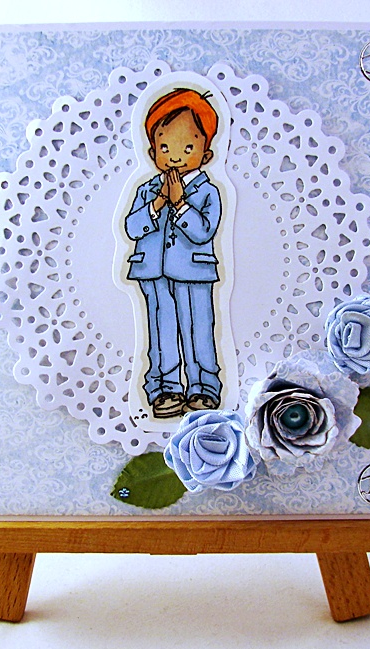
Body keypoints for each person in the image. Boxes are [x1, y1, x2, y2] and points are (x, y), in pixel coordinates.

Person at [124, 88, 222, 418]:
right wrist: (159, 203)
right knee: (161, 329)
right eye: (165, 148)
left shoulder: (208, 192)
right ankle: (164, 389)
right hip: (152, 272)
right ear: (153, 152)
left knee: (198, 329)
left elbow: (203, 231)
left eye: (188, 148)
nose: (175, 156)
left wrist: (180, 203)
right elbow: (132, 227)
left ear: (206, 154)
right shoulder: (147, 190)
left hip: (194, 272)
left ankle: (204, 388)